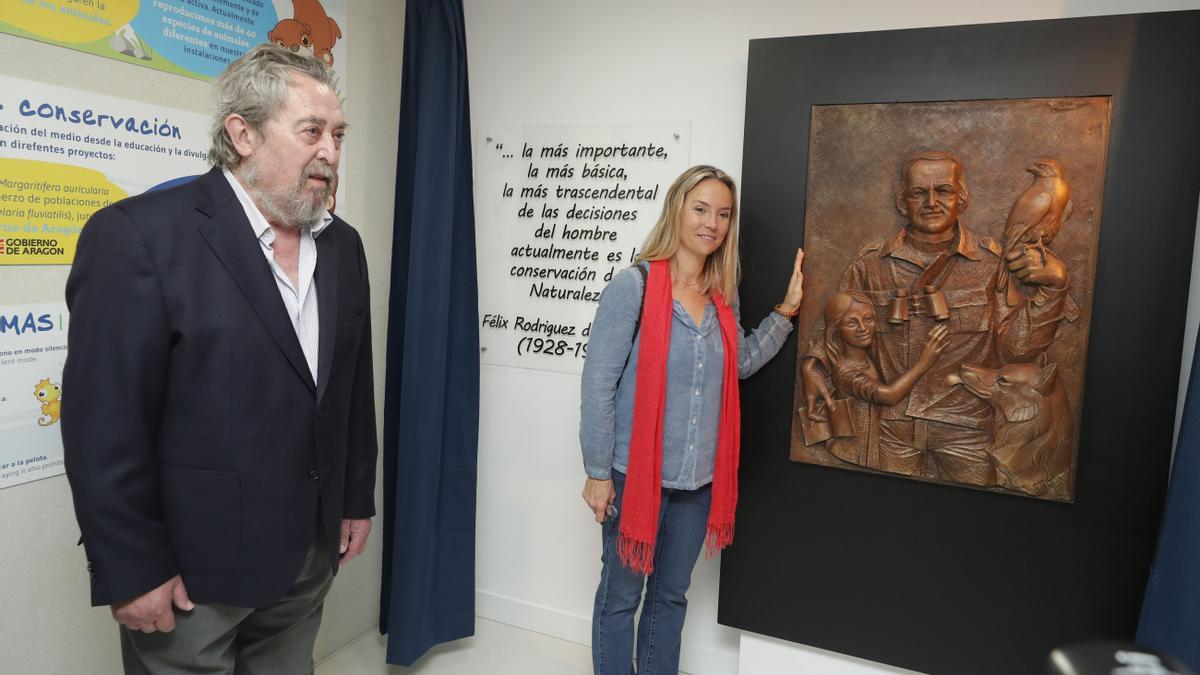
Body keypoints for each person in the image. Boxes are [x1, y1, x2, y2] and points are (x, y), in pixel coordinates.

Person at [61, 44, 377, 674]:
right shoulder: (139, 236)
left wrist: (355, 498)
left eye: (338, 134)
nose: (332, 152)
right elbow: (104, 423)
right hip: (189, 572)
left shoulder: (342, 246)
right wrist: (131, 568)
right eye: (311, 131)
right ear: (243, 134)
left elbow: (350, 386)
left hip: (307, 553)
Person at [579, 165, 805, 675]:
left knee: (671, 598)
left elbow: (739, 363)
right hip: (632, 476)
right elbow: (598, 384)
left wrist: (785, 315)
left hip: (697, 480)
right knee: (620, 596)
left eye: (724, 214)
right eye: (701, 209)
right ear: (677, 209)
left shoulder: (722, 293)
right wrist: (597, 473)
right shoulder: (632, 287)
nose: (713, 223)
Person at [800, 150, 1074, 488]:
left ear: (962, 198)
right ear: (903, 202)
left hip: (966, 428)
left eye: (943, 190)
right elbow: (830, 325)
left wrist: (1054, 290)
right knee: (883, 510)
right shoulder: (870, 265)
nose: (932, 201)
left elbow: (1018, 349)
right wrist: (812, 367)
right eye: (919, 192)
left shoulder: (991, 264)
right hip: (891, 424)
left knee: (969, 522)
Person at [822, 291, 947, 470]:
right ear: (836, 330)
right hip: (852, 452)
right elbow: (889, 396)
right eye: (851, 322)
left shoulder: (868, 357)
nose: (863, 328)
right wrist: (923, 363)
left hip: (872, 445)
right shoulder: (845, 372)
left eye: (868, 319)